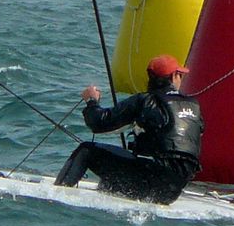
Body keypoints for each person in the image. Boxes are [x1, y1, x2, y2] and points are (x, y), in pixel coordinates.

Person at [54, 54, 203, 204]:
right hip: (172, 191)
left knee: (86, 150)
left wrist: (92, 101)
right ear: (174, 76)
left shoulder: (145, 100)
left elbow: (99, 123)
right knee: (109, 183)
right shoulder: (194, 106)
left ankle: (58, 194)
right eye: (180, 75)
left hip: (149, 181)